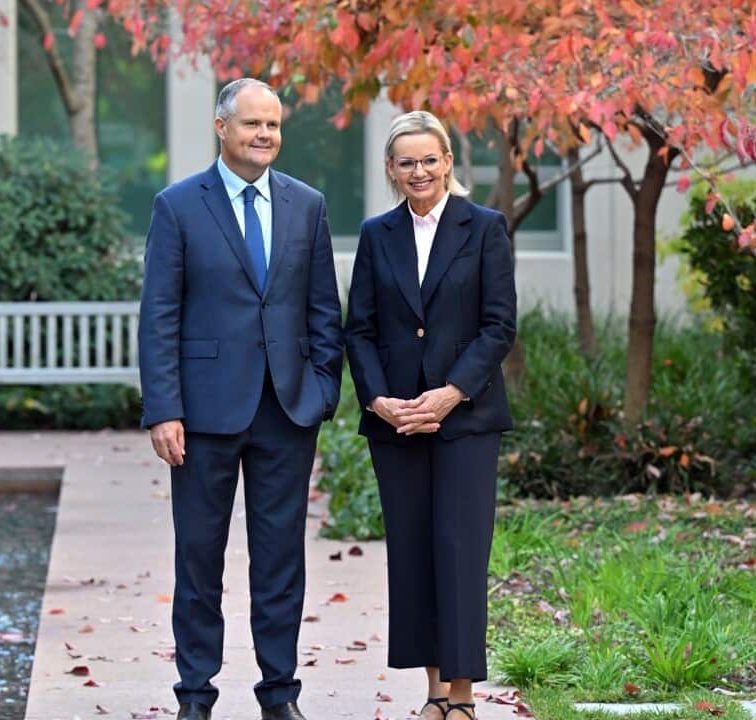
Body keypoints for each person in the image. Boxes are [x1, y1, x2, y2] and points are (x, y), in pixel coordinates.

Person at [138, 78, 343, 720]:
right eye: (253, 124)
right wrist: (163, 408)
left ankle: (279, 695)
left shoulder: (307, 205)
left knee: (280, 559)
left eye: (274, 126)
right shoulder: (177, 206)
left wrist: (323, 390)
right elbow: (159, 314)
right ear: (221, 128)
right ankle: (195, 696)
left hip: (286, 411)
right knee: (199, 559)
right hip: (202, 416)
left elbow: (321, 309)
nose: (265, 136)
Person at [343, 110, 517, 720]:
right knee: (414, 552)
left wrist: (450, 392)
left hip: (465, 419)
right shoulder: (376, 233)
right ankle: (434, 692)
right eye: (406, 162)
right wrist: (377, 399)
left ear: (448, 162)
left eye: (429, 159)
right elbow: (357, 329)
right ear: (391, 170)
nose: (419, 170)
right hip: (397, 424)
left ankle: (464, 699)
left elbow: (499, 327)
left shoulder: (485, 227)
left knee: (461, 550)